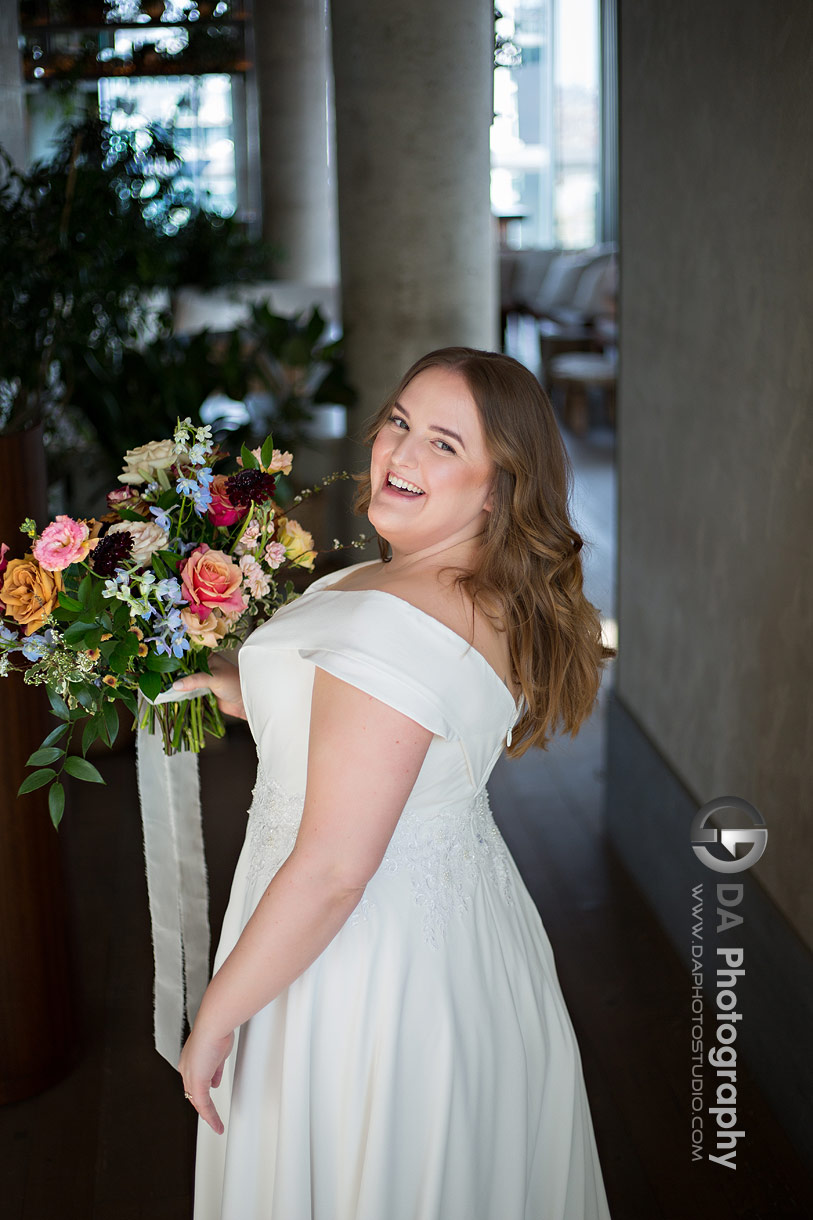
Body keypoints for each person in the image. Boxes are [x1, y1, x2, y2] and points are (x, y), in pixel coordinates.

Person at [175, 347, 615, 1219]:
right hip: (463, 949)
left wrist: (216, 1016)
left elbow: (336, 868)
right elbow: (386, 733)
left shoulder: (393, 617)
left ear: (498, 487)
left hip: (358, 980)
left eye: (445, 444)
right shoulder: (468, 586)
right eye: (401, 422)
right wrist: (234, 690)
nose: (402, 452)